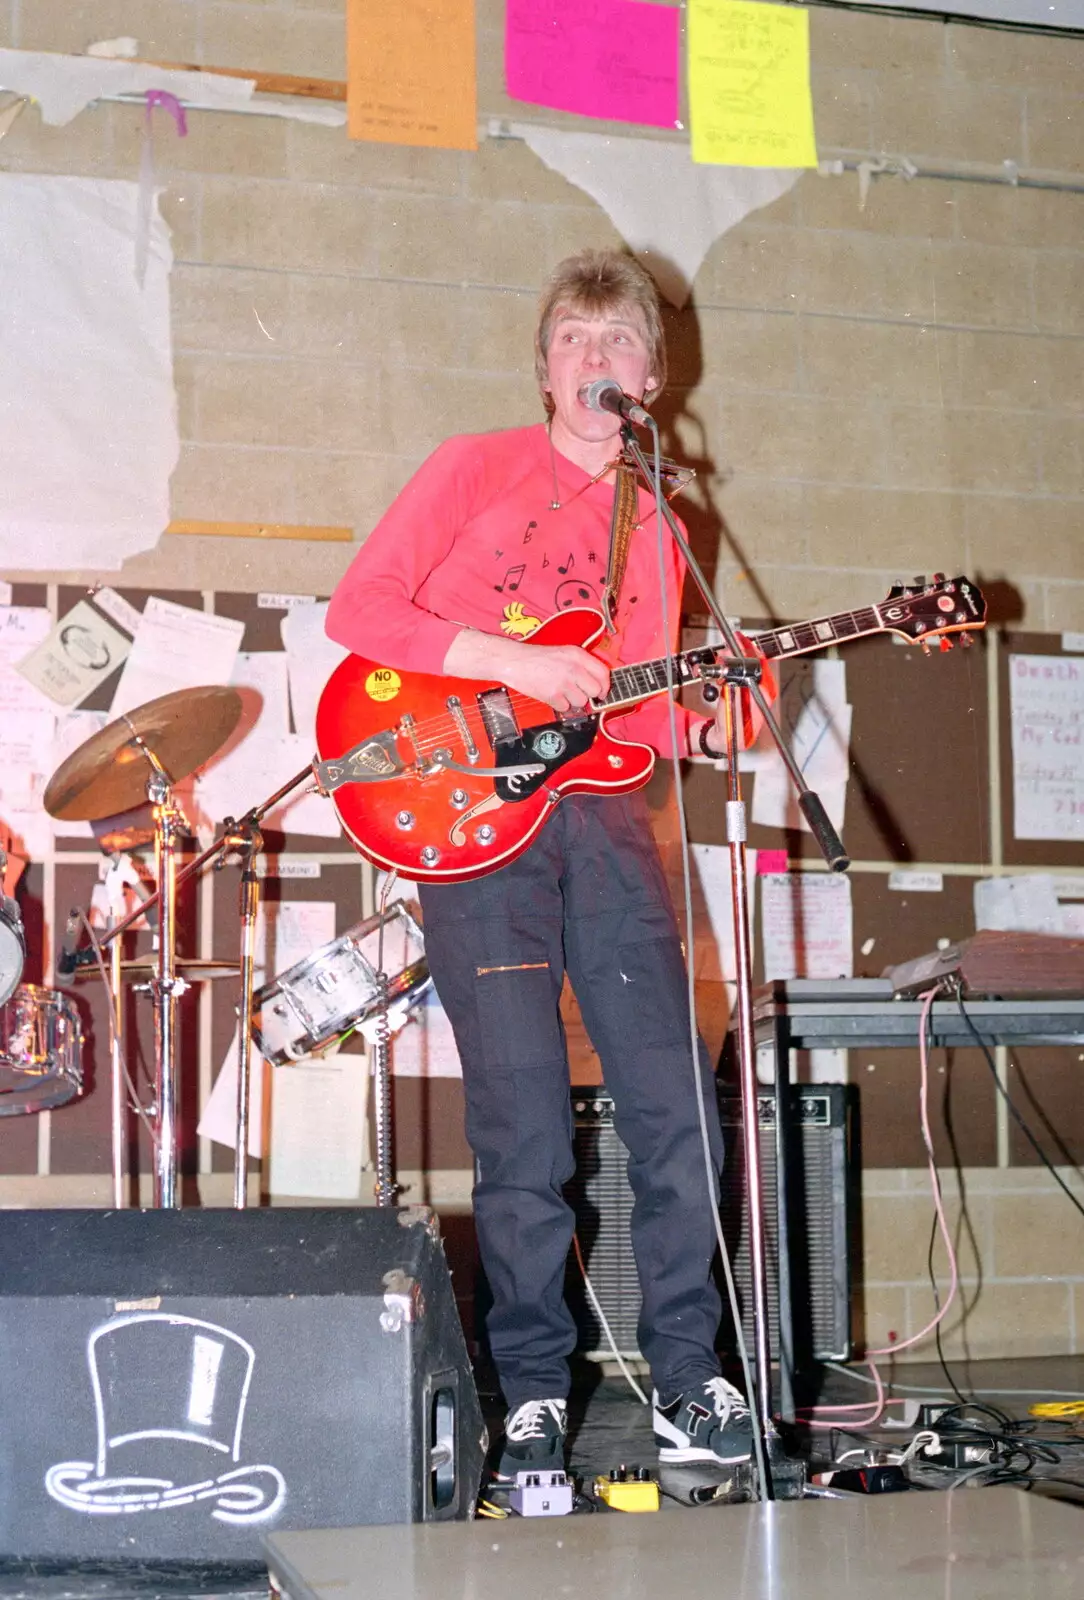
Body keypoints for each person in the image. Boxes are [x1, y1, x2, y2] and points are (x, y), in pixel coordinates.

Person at [325, 249, 769, 1479]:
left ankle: (690, 1379)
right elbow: (360, 609)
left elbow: (620, 709)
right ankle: (530, 1395)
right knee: (523, 1130)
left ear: (652, 378)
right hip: (474, 823)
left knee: (678, 1113)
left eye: (616, 344)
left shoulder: (662, 523)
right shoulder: (475, 470)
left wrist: (707, 718)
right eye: (573, 342)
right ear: (543, 371)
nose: (594, 361)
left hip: (609, 826)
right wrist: (510, 662)